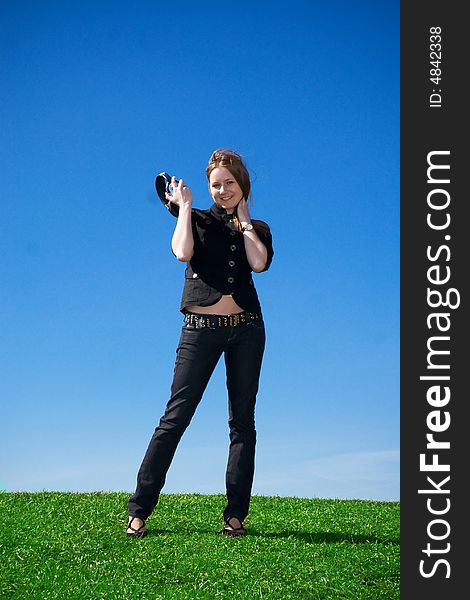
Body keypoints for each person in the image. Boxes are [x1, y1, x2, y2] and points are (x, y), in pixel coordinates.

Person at [126, 148, 274, 538]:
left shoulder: (258, 227)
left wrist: (244, 222)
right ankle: (139, 510)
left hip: (247, 330)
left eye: (229, 183)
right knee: (175, 418)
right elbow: (182, 252)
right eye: (215, 184)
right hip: (199, 330)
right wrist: (186, 208)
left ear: (242, 184)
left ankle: (235, 516)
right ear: (207, 187)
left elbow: (258, 263)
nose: (222, 190)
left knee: (242, 423)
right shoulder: (197, 218)